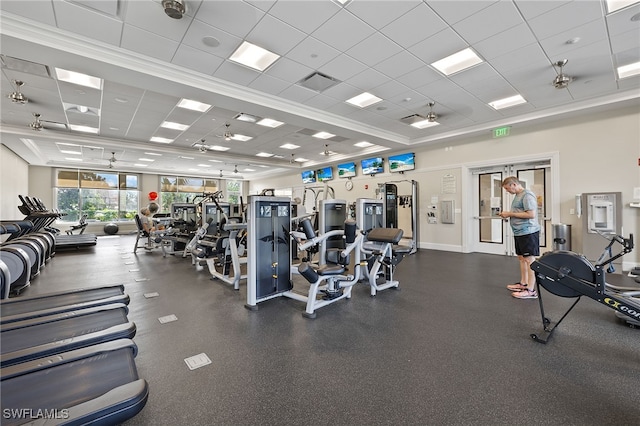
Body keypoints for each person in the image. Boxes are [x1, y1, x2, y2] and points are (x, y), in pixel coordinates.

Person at [498, 176, 540, 299]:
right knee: (522, 259)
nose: (507, 191)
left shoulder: (527, 195)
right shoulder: (518, 195)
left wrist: (509, 213)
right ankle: (523, 283)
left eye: (507, 188)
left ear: (513, 185)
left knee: (530, 260)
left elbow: (531, 214)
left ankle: (531, 291)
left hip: (528, 232)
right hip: (519, 232)